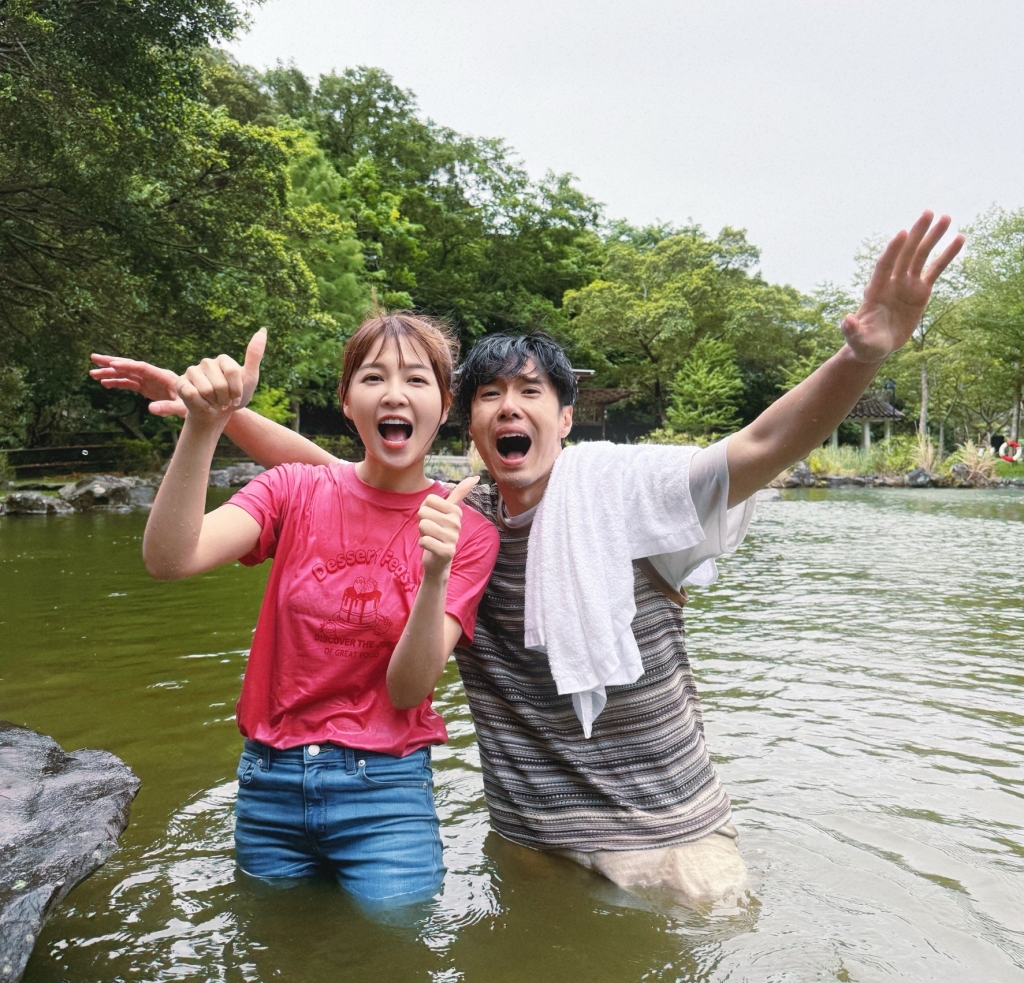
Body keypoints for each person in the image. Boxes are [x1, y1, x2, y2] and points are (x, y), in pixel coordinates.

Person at [94, 211, 962, 907]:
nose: (509, 407)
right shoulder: (455, 510)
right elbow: (334, 477)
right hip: (528, 840)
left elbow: (761, 446)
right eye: (490, 395)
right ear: (464, 426)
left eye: (531, 393)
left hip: (667, 837)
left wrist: (861, 355)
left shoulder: (621, 493)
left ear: (566, 417)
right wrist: (210, 410)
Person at [130, 311, 499, 909]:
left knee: (394, 959)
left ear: (445, 403)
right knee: (272, 957)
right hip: (268, 783)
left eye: (416, 379)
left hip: (387, 790)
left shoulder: (467, 533)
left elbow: (407, 693)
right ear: (347, 402)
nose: (395, 394)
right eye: (373, 377)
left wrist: (434, 574)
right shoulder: (293, 490)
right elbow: (172, 559)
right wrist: (203, 426)